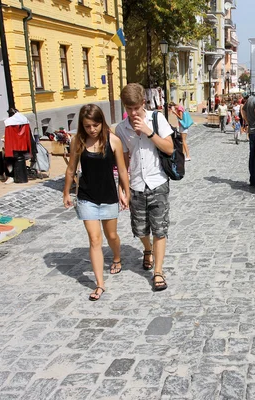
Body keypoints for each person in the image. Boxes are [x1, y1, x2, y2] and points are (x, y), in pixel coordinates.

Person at [63, 104, 130, 301]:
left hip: (108, 195)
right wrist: (66, 193)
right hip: (86, 197)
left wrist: (126, 192)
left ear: (102, 122)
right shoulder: (78, 141)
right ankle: (100, 284)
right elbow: (71, 170)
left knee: (111, 235)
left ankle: (117, 257)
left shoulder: (114, 141)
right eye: (87, 126)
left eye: (95, 125)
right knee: (95, 239)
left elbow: (123, 170)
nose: (92, 129)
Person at [115, 83, 174, 291]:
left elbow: (169, 148)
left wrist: (149, 132)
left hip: (158, 182)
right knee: (140, 229)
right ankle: (147, 249)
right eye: (128, 108)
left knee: (159, 229)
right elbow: (122, 164)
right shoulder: (121, 129)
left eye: (136, 108)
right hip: (136, 185)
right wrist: (122, 189)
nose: (132, 113)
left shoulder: (157, 119)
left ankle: (158, 271)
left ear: (143, 103)